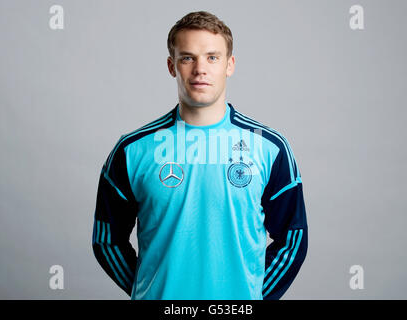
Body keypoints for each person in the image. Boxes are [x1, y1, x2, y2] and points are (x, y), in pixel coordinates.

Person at [92, 10, 308, 300]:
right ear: (172, 66)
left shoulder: (269, 147)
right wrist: (149, 290)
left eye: (212, 57)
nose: (200, 69)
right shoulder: (133, 149)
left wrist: (252, 295)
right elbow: (107, 240)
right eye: (187, 57)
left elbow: (293, 239)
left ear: (230, 65)